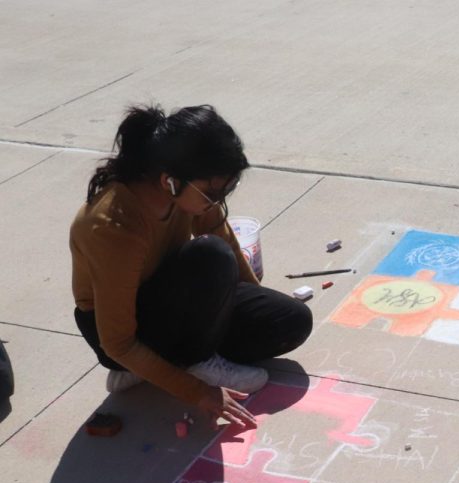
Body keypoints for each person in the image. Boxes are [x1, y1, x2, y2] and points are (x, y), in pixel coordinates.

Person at [70, 104, 313, 427]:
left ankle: (160, 366)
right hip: (117, 332)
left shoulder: (191, 190)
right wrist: (198, 392)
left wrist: (256, 306)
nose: (219, 199)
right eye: (213, 191)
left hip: (178, 306)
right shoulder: (114, 225)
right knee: (210, 257)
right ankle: (182, 363)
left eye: (227, 188)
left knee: (291, 321)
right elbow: (118, 341)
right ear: (169, 181)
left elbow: (225, 240)